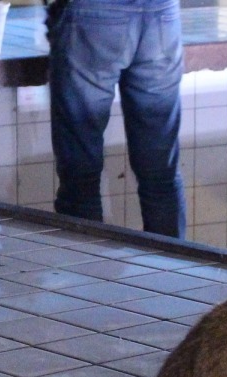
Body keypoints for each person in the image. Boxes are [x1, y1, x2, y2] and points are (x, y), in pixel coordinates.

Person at [47, 0, 187, 238]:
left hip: (93, 16)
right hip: (162, 15)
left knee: (81, 177)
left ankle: (86, 260)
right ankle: (169, 262)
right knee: (161, 175)